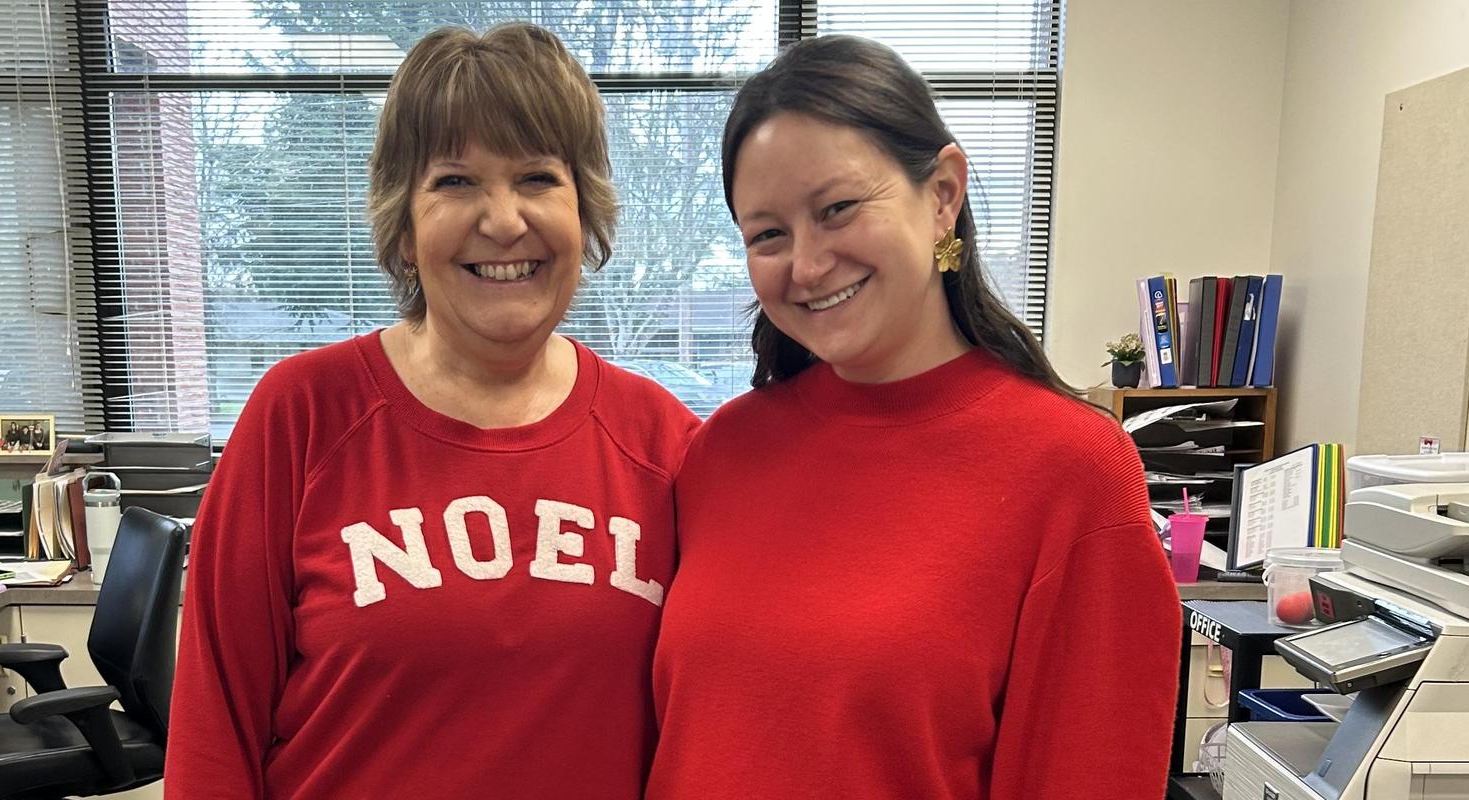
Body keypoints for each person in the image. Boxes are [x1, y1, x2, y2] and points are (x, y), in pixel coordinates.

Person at [164, 23, 699, 799]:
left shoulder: (664, 443)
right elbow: (214, 728)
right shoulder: (301, 415)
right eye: (455, 181)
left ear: (584, 214)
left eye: (539, 178)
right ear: (406, 228)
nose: (504, 220)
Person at [647, 35, 1182, 799]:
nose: (805, 264)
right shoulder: (721, 452)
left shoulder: (1074, 471)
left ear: (942, 196)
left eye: (837, 209)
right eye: (768, 233)